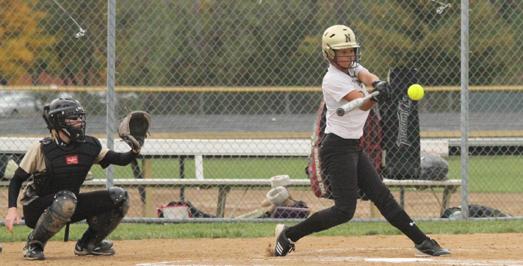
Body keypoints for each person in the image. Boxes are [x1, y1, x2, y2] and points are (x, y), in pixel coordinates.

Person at [273, 25, 450, 257]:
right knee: (344, 211)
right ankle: (288, 236)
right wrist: (375, 98)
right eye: (342, 52)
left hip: (354, 146)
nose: (348, 56)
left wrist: (377, 84)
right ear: (329, 54)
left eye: (351, 50)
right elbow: (362, 102)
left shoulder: (351, 67)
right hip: (336, 149)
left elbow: (365, 75)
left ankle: (423, 242)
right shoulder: (332, 80)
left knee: (382, 196)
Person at [4, 98, 141, 260]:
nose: (80, 122)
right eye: (74, 118)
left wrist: (135, 149)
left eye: (81, 118)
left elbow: (120, 159)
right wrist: (12, 209)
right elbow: (16, 180)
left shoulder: (89, 145)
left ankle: (89, 243)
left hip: (69, 202)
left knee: (120, 196)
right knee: (66, 198)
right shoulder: (42, 148)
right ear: (59, 122)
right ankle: (34, 244)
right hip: (36, 206)